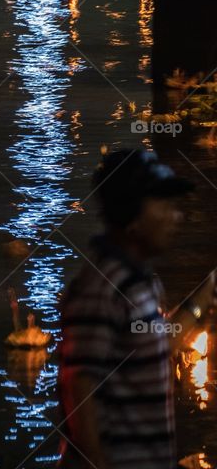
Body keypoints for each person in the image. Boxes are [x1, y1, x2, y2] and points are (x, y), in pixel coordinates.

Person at [57, 149, 216, 469]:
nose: (177, 216)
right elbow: (79, 387)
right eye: (164, 205)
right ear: (131, 215)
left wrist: (204, 297)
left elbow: (159, 344)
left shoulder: (142, 281)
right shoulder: (102, 288)